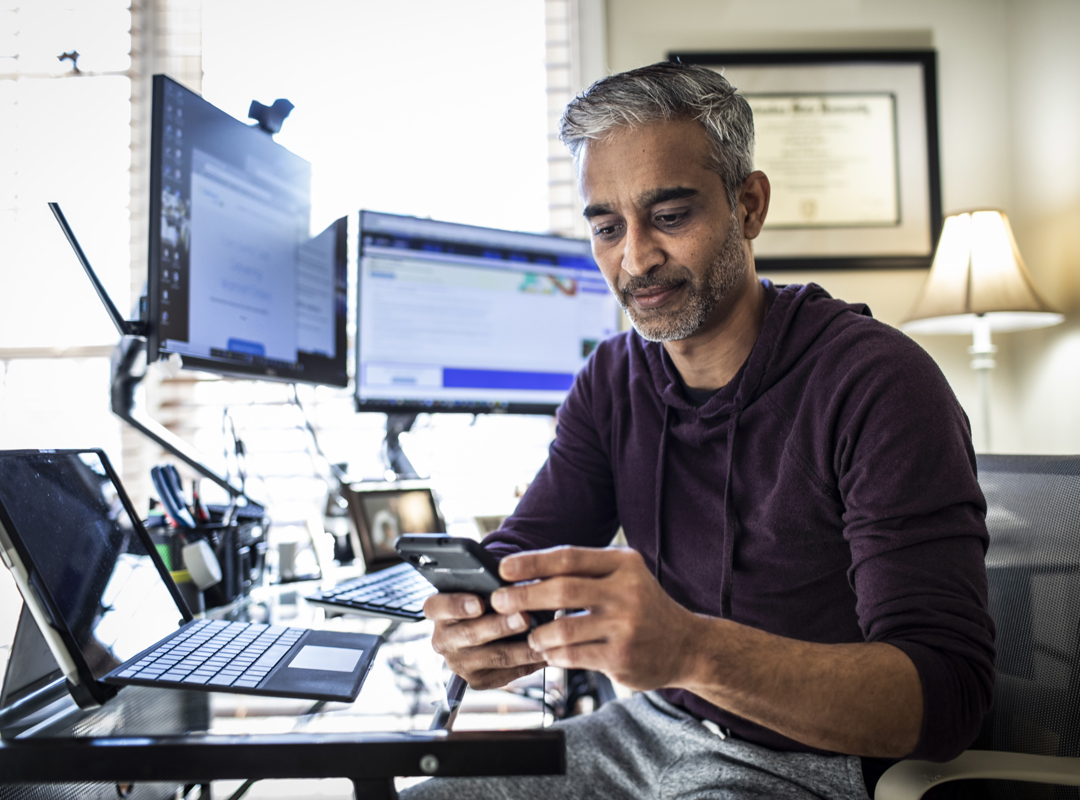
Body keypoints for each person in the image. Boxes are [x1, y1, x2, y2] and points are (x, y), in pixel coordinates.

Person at [403, 61, 995, 800]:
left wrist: (690, 649)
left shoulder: (879, 384)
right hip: (646, 728)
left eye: (671, 216)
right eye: (607, 228)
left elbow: (948, 699)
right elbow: (527, 552)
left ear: (748, 206)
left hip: (813, 762)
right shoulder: (612, 378)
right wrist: (480, 621)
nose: (636, 258)